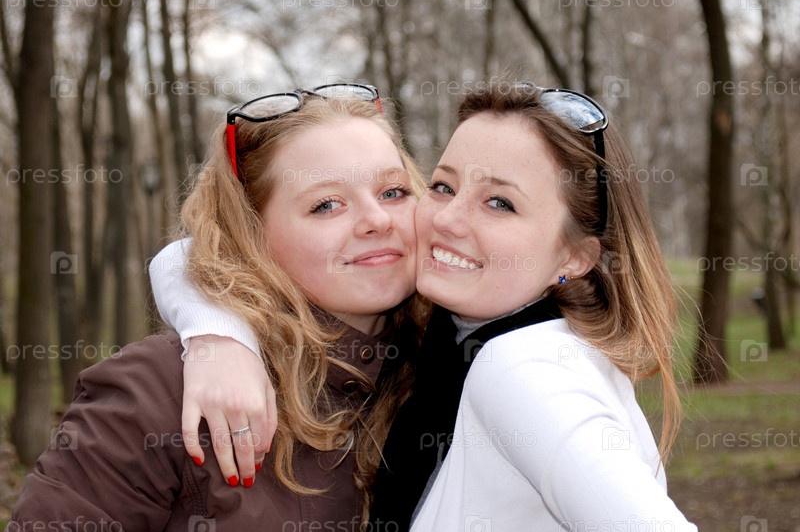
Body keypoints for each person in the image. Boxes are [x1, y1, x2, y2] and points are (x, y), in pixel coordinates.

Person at [150, 80, 697, 530]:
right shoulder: (448, 338)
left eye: (499, 203)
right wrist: (218, 332)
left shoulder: (522, 369)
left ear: (575, 256)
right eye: (443, 187)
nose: (449, 219)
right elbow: (200, 251)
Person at [9, 84, 429, 531]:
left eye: (393, 192)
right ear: (251, 234)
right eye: (326, 205)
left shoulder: (447, 366)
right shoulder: (160, 389)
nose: (377, 220)